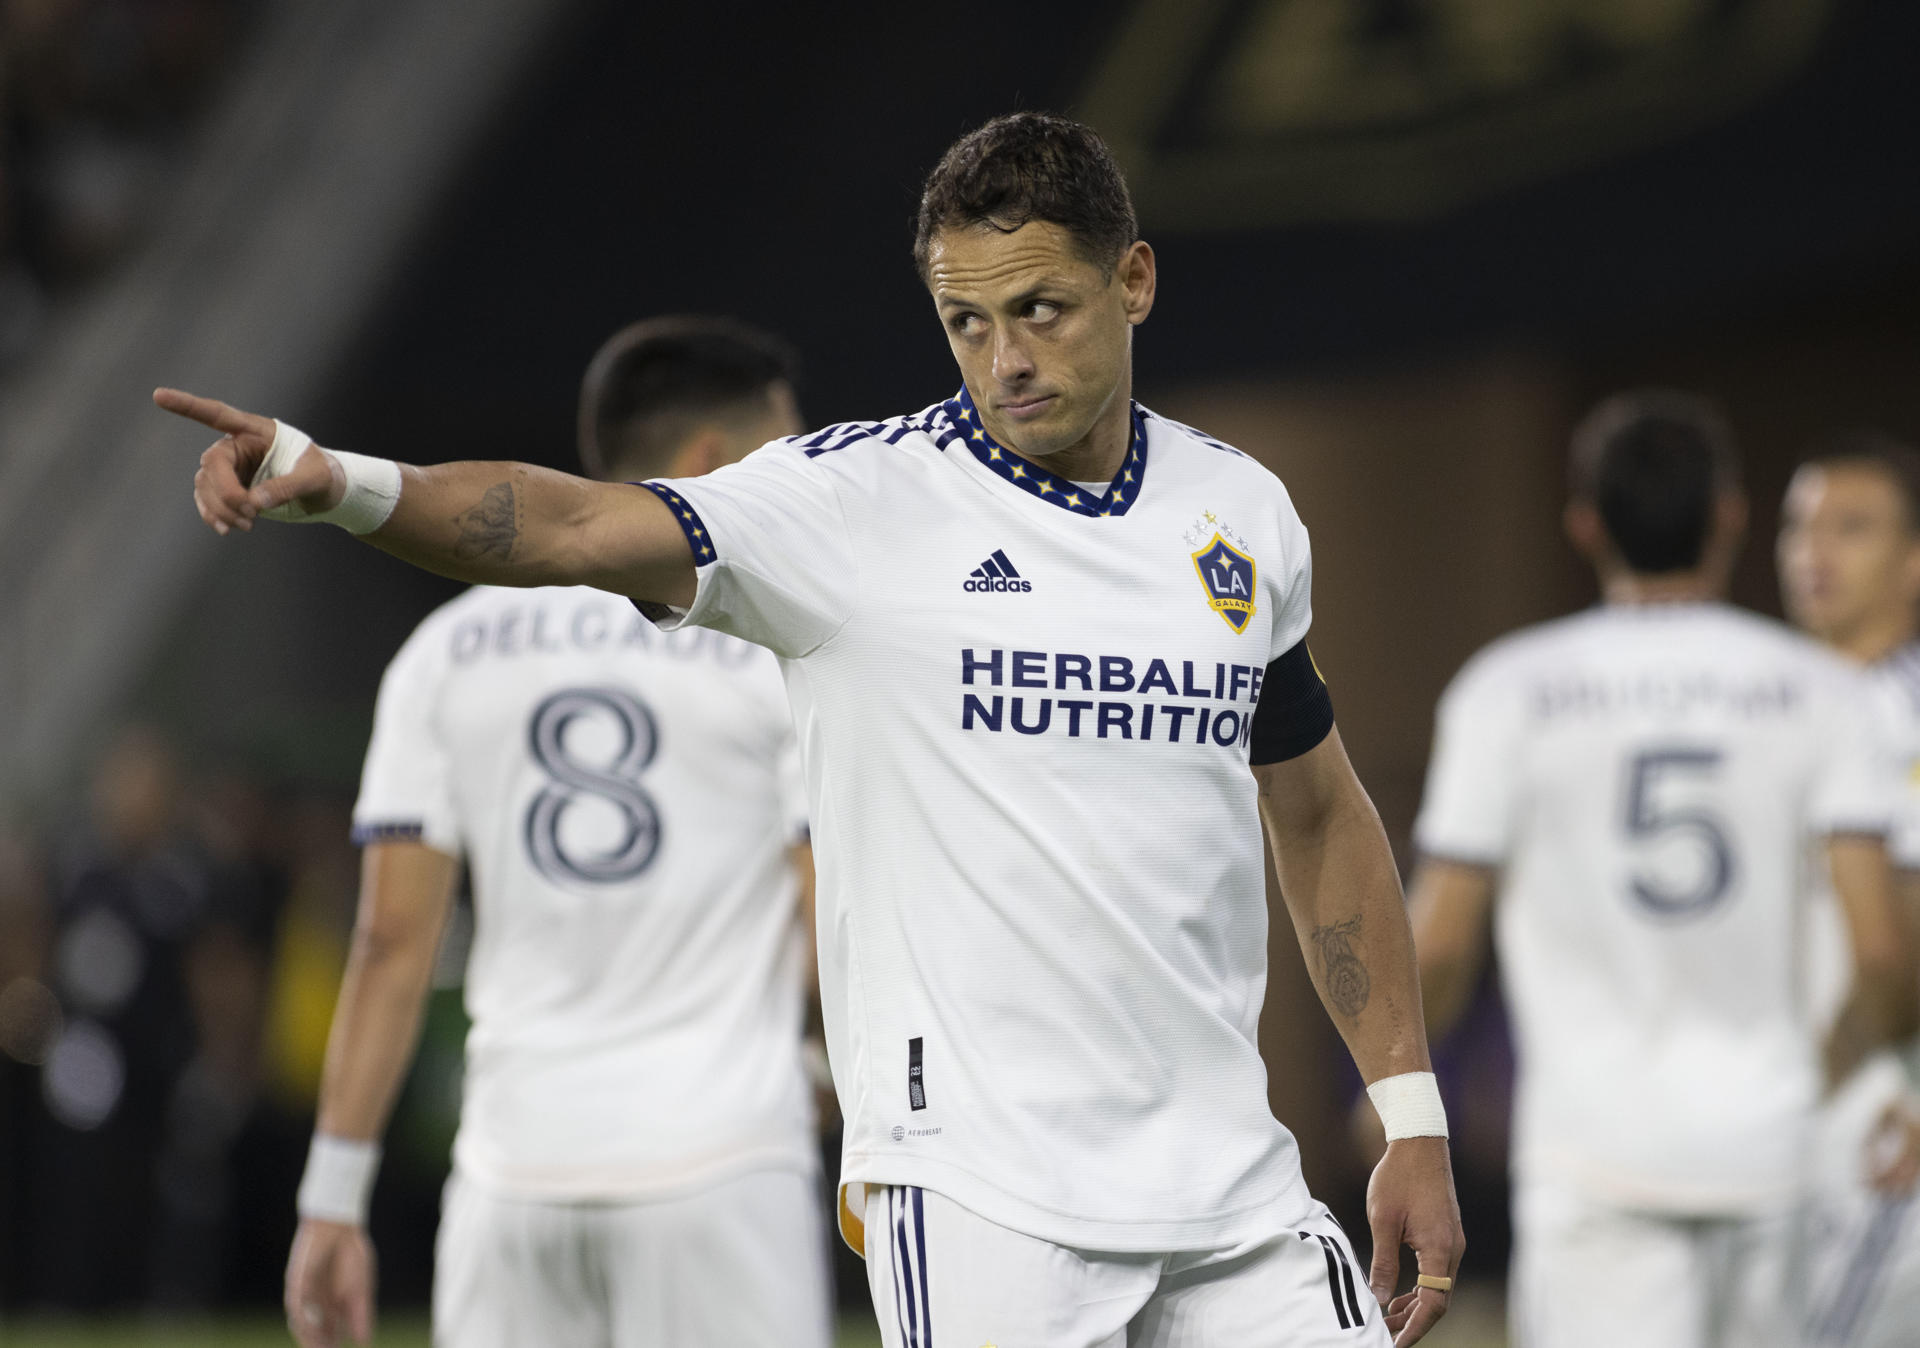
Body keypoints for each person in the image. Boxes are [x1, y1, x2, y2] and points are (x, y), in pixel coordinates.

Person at [160, 112, 1463, 1348]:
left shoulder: (1240, 513)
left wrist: (1406, 1108)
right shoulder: (853, 506)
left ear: (1134, 280)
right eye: (966, 321)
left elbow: (1315, 806)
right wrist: (343, 485)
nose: (1005, 358)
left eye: (1040, 311)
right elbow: (564, 524)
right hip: (985, 1191)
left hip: (1230, 1182)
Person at [279, 316, 831, 1348]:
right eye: (783, 448)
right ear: (709, 462)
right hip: (718, 1158)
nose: (799, 478)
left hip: (515, 1172)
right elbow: (827, 913)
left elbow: (391, 943)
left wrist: (332, 1197)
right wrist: (826, 1060)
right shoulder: (776, 651)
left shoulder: (444, 653)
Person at [1408, 391, 1917, 1348]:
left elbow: (1435, 947)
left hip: (1596, 1159)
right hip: (1769, 1154)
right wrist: (1821, 1085)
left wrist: (1395, 1103)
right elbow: (1889, 960)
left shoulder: (1510, 689)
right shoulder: (1819, 694)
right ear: (1731, 517)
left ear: (1584, 525)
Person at [1777, 434, 1920, 1347]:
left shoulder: (1900, 713)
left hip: (1879, 1117)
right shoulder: (1779, 703)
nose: (1815, 552)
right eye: (1801, 526)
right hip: (1787, 1117)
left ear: (1914, 564)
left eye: (1853, 528)